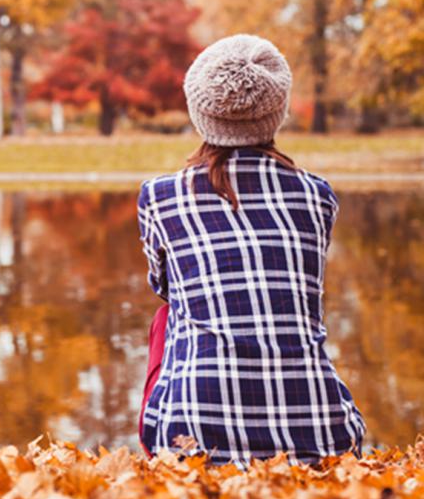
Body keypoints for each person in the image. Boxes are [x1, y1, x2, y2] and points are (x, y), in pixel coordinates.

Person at [137, 34, 366, 468]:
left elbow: (164, 289)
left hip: (192, 436)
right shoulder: (317, 195)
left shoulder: (160, 196)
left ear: (199, 111)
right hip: (322, 432)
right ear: (277, 110)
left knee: (167, 317)